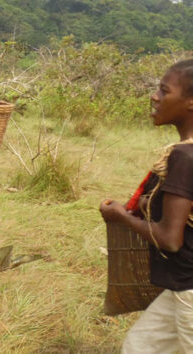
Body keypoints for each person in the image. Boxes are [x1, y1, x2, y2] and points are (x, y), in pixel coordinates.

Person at [100, 59, 193, 352]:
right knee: (139, 347)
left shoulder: (184, 158)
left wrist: (120, 216)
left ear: (190, 102)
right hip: (181, 287)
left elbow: (170, 240)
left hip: (189, 288)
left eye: (164, 91)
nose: (155, 96)